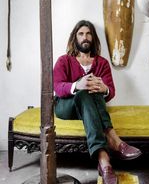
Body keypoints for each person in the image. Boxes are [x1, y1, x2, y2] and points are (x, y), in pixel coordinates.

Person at [53, 20, 142, 184]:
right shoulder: (64, 60)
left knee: (93, 92)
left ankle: (104, 162)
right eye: (81, 34)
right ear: (75, 38)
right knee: (83, 92)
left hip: (88, 106)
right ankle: (114, 139)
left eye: (88, 34)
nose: (85, 37)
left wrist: (104, 89)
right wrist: (76, 85)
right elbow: (57, 87)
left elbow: (111, 92)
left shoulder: (102, 63)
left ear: (93, 38)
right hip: (65, 106)